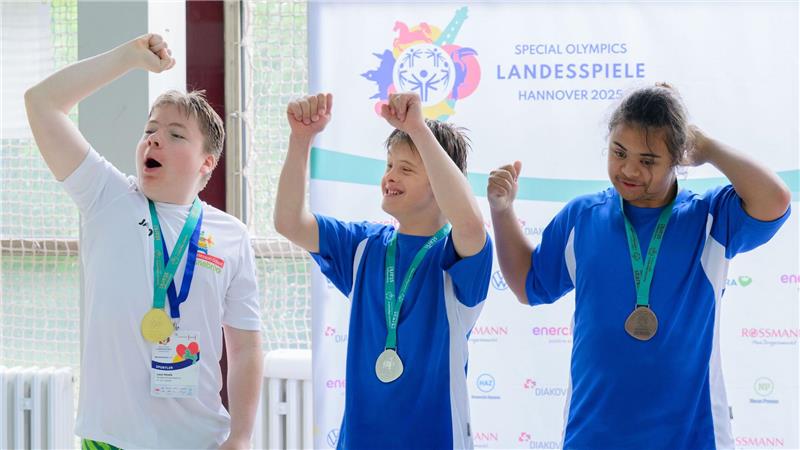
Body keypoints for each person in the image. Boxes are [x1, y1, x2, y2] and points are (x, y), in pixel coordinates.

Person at [488, 83, 791, 450]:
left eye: (648, 160)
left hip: (693, 436)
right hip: (594, 435)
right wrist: (502, 212)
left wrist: (707, 147)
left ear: (678, 157)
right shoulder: (582, 217)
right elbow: (528, 284)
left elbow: (774, 200)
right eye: (619, 152)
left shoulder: (708, 218)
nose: (629, 169)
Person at [25, 34, 263, 449]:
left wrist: (241, 436)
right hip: (111, 440)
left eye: (175, 135)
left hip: (201, 440)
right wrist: (127, 58)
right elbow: (41, 103)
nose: (154, 139)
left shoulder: (232, 235)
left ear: (207, 162)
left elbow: (245, 347)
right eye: (150, 130)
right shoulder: (106, 196)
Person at [274, 92, 492, 449]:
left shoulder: (457, 255)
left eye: (406, 168)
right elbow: (289, 222)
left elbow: (469, 224)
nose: (390, 176)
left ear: (440, 183)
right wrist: (301, 140)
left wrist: (419, 130)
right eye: (389, 165)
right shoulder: (364, 245)